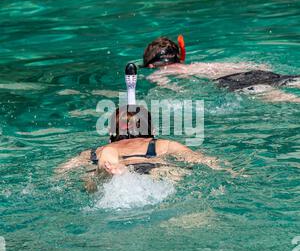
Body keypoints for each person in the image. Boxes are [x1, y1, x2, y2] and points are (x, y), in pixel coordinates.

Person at [57, 105, 238, 190]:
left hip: (108, 164)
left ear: (110, 133)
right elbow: (203, 160)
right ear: (152, 130)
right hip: (150, 169)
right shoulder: (161, 145)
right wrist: (234, 172)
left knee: (94, 179)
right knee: (171, 174)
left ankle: (108, 168)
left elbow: (60, 173)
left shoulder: (92, 152)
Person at [143, 36, 300, 102]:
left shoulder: (158, 74)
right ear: (179, 57)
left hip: (232, 83)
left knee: (289, 99)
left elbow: (175, 89)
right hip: (256, 73)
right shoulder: (199, 66)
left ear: (151, 65)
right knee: (289, 83)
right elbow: (244, 66)